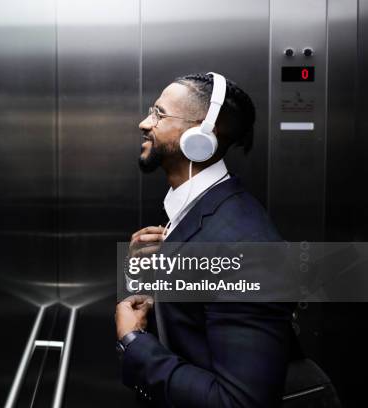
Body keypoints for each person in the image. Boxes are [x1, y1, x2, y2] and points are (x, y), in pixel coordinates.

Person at [115, 73, 296, 407]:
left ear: (199, 137)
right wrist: (141, 275)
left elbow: (239, 402)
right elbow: (197, 319)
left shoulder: (248, 251)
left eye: (159, 114)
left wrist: (134, 342)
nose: (144, 123)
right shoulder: (197, 207)